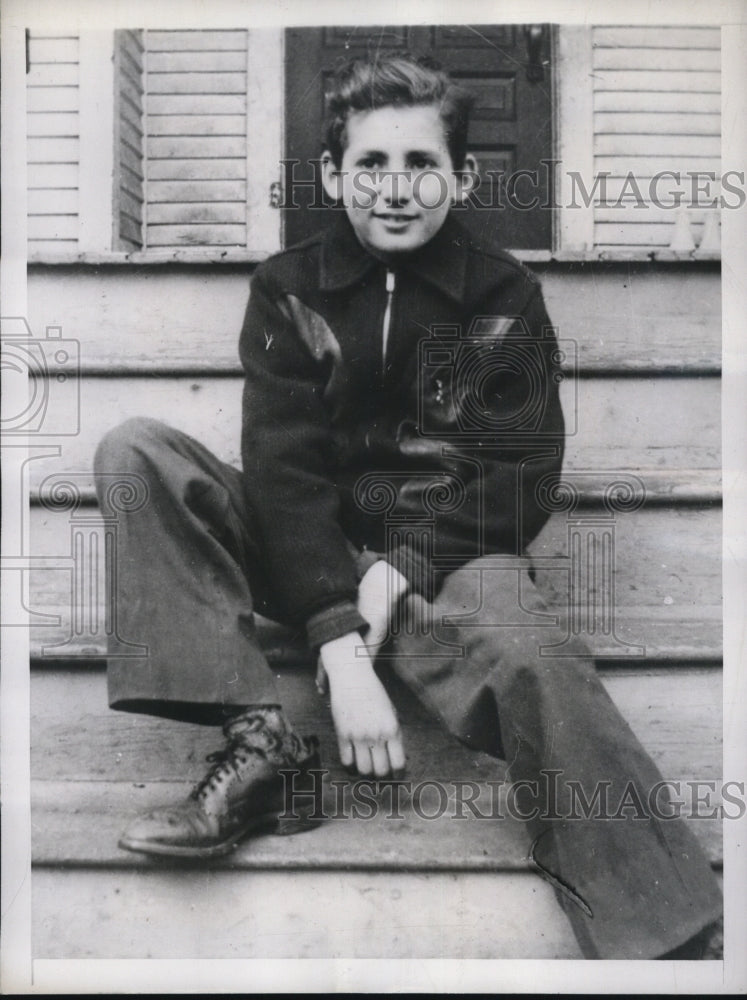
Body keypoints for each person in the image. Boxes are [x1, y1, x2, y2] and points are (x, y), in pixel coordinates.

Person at [94, 52, 722, 959]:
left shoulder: (497, 293)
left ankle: (668, 937)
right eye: (371, 165)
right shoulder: (289, 289)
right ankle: (264, 748)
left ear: (461, 175)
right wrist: (338, 640)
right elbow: (282, 468)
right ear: (330, 174)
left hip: (453, 552)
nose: (396, 190)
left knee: (538, 658)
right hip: (300, 544)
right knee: (137, 453)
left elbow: (519, 471)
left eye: (422, 165)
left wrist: (399, 572)